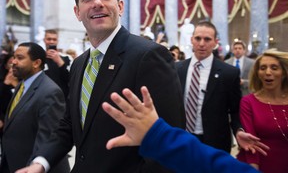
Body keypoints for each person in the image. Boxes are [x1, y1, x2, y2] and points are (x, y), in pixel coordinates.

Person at [16, 0, 185, 173]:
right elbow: (70, 124)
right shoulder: (79, 64)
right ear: (77, 12)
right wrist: (40, 163)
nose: (97, 3)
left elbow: (169, 140)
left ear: (120, 6)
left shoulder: (149, 56)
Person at [100, 86, 264, 173]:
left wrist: (159, 137)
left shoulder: (227, 72)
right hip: (185, 138)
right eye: (197, 38)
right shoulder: (180, 68)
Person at [176, 20, 256, 153]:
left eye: (207, 39)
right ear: (191, 40)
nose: (202, 43)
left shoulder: (229, 73)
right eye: (198, 38)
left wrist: (239, 130)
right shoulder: (177, 69)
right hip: (181, 139)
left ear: (215, 42)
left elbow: (235, 109)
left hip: (214, 142)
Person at [0, 42, 70, 173]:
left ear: (36, 63)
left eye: (20, 58)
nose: (13, 62)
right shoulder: (22, 85)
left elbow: (48, 138)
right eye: (14, 57)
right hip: (13, 162)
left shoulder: (50, 92)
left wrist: (34, 166)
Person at [237, 49, 288, 173]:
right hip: (258, 166)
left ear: (284, 73)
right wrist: (253, 169)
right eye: (263, 68)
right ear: (257, 73)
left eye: (274, 68)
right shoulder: (248, 102)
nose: (268, 72)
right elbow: (251, 145)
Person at [43, 29, 70, 98]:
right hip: (44, 96)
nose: (51, 42)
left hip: (62, 97)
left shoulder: (66, 58)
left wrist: (59, 61)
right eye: (49, 39)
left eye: (54, 39)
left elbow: (70, 79)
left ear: (57, 41)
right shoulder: (39, 59)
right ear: (44, 40)